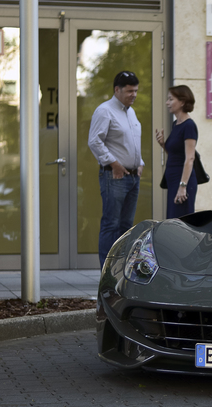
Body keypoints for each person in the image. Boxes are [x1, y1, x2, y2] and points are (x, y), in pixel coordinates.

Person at [88, 71, 144, 268]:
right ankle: (106, 269)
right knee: (111, 224)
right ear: (117, 90)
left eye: (136, 91)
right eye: (130, 91)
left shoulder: (131, 111)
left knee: (126, 227)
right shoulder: (105, 111)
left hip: (132, 176)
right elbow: (94, 141)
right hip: (115, 176)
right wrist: (114, 163)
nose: (134, 95)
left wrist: (140, 162)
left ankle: (121, 268)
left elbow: (131, 142)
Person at [155, 85, 199, 219]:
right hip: (173, 180)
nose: (167, 103)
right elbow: (176, 155)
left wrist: (182, 186)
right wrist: (163, 144)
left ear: (182, 102)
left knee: (181, 223)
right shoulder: (176, 124)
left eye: (170, 99)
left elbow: (189, 158)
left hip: (182, 181)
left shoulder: (189, 126)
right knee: (173, 221)